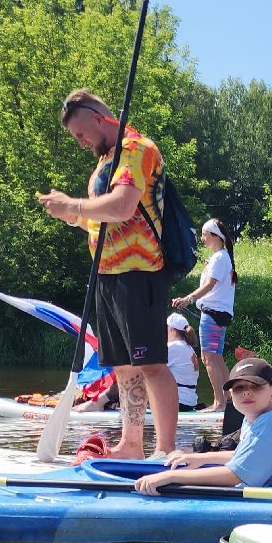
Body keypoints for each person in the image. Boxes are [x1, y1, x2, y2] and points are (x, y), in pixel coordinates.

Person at [38, 88, 177, 459]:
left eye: (82, 134)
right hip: (108, 272)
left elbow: (124, 206)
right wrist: (73, 215)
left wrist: (75, 204)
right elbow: (103, 221)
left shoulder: (137, 149)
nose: (81, 143)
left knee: (150, 363)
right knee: (123, 365)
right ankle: (131, 445)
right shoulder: (106, 161)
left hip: (140, 270)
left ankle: (164, 450)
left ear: (99, 118)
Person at [134, 358, 272, 494]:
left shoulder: (269, 425)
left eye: (256, 386)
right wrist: (200, 458)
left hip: (258, 500)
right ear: (231, 395)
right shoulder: (259, 419)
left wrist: (171, 477)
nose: (246, 392)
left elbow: (234, 475)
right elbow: (245, 455)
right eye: (239, 388)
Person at [172, 218, 236, 411]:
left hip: (212, 315)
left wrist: (188, 299)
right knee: (216, 357)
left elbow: (209, 285)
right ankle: (229, 400)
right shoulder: (222, 257)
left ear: (215, 236)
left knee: (208, 358)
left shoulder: (219, 258)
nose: (202, 238)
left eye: (204, 234)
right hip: (220, 315)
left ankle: (219, 403)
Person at [165, 313, 200, 411]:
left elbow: (150, 370)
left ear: (171, 329)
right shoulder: (189, 348)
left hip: (177, 401)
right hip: (189, 401)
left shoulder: (173, 347)